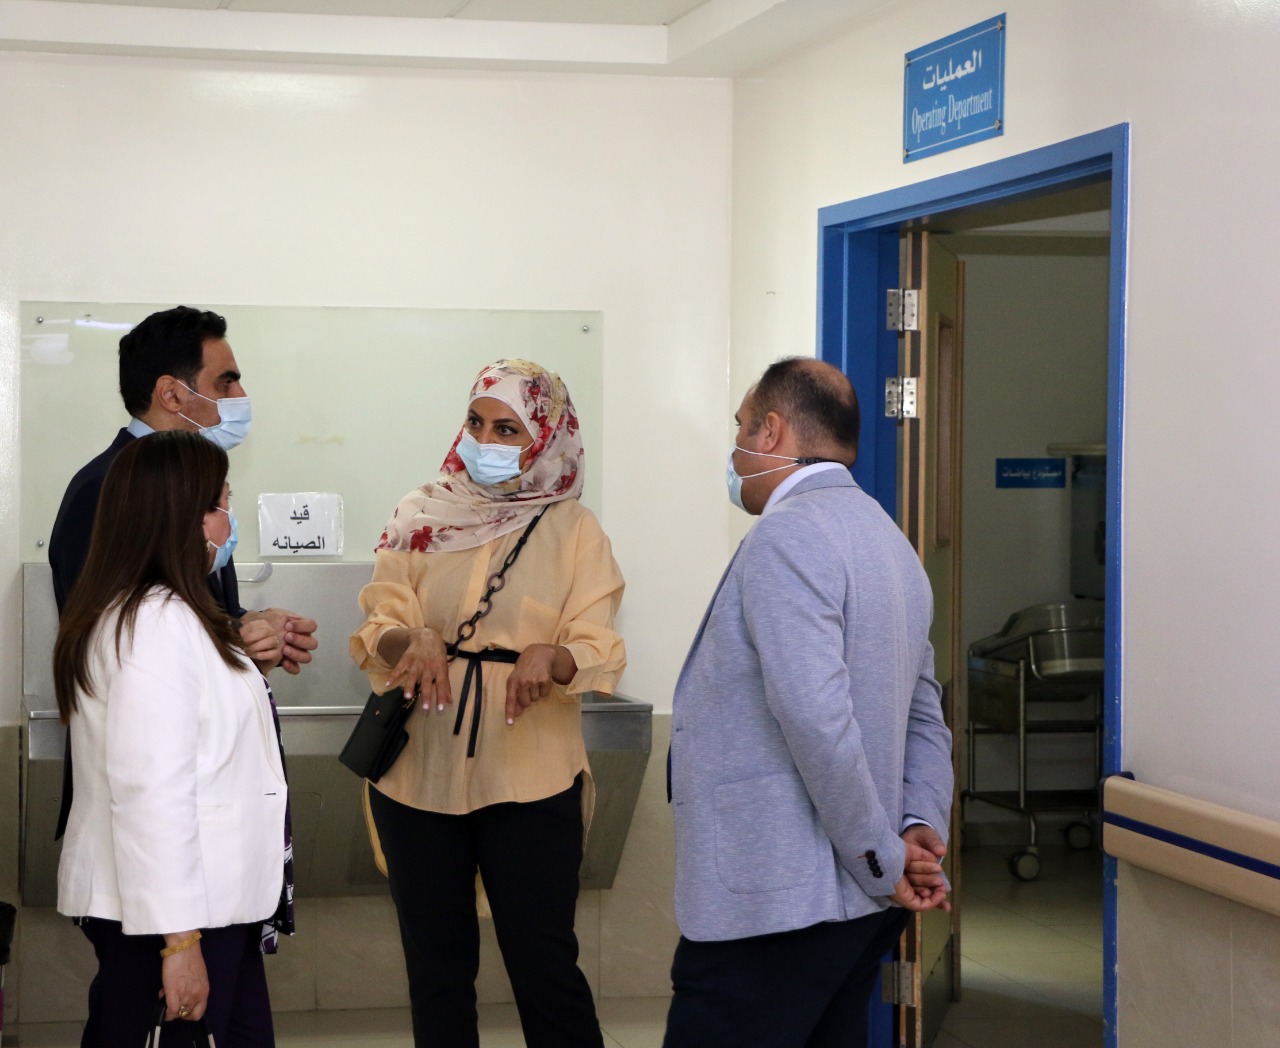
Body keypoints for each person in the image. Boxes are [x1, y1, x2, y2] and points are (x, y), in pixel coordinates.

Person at [663, 357, 955, 1048]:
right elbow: (925, 715)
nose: (736, 447)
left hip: (778, 903)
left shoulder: (787, 535)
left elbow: (815, 719)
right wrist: (919, 823)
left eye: (741, 427)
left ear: (770, 431)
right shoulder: (890, 542)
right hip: (853, 908)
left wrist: (879, 855)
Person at [350, 359, 625, 1048]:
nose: (485, 441)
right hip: (418, 776)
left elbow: (598, 641)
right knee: (436, 972)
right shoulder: (419, 515)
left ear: (546, 438)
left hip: (530, 778)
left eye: (507, 429)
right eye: (476, 422)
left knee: (544, 965)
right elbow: (378, 622)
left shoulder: (574, 528)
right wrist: (409, 640)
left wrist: (554, 656)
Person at [55, 430, 290, 1045]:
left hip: (215, 906)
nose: (229, 522)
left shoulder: (176, 613)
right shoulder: (152, 624)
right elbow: (151, 791)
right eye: (222, 504)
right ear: (182, 518)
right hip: (176, 917)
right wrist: (180, 943)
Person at [47, 305, 317, 836]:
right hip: (142, 791)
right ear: (171, 394)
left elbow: (197, 607)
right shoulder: (105, 490)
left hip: (204, 776)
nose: (241, 397)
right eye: (226, 383)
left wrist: (249, 627)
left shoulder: (192, 487)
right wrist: (232, 641)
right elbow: (114, 643)